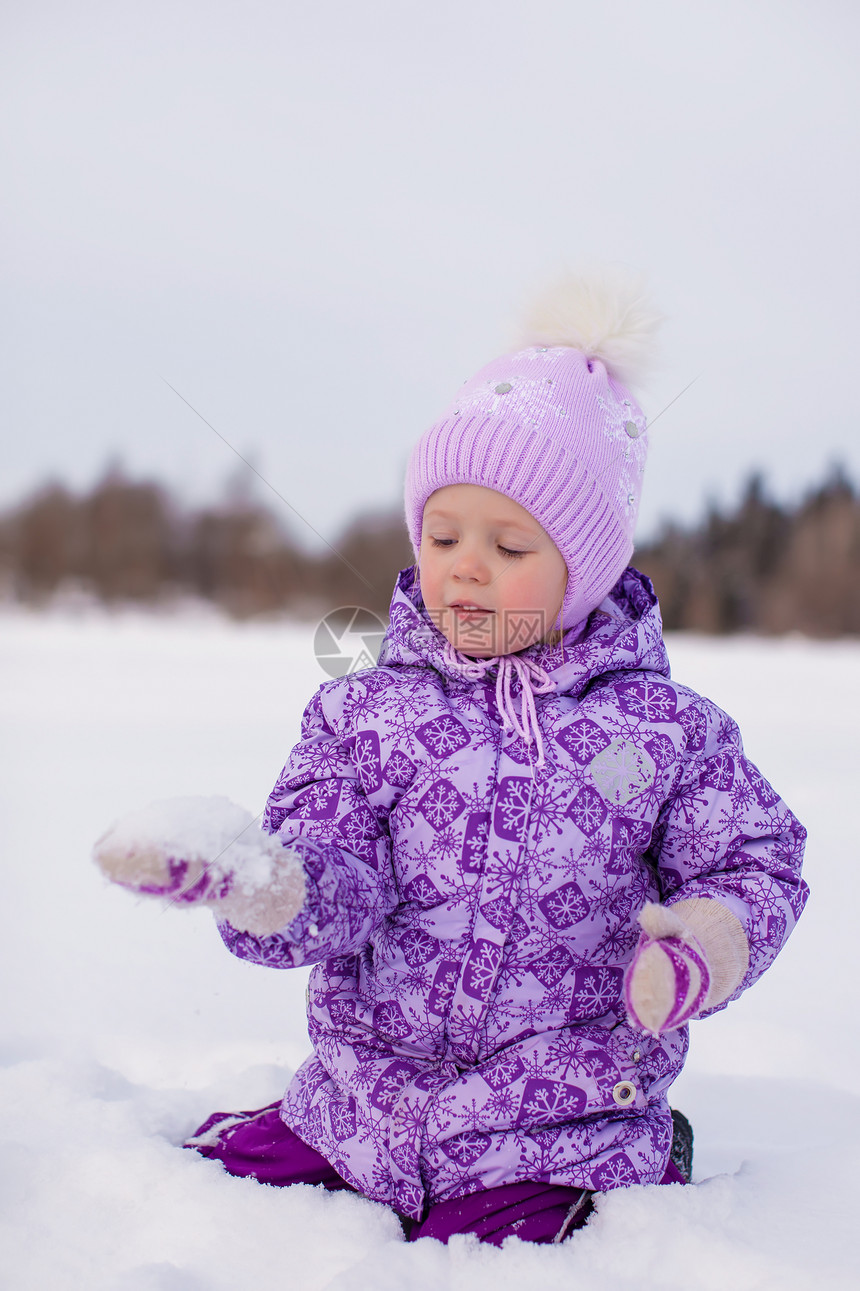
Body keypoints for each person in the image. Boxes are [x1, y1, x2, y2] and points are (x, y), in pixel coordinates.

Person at [95, 269, 807, 1247]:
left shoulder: (664, 731)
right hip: (357, 1113)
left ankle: (643, 1154)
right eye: (441, 533)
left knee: (489, 1249)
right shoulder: (362, 712)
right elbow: (338, 866)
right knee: (203, 1196)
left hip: (558, 1126)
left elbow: (749, 858)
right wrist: (270, 883)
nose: (464, 565)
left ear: (581, 570)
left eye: (510, 545)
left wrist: (703, 939)